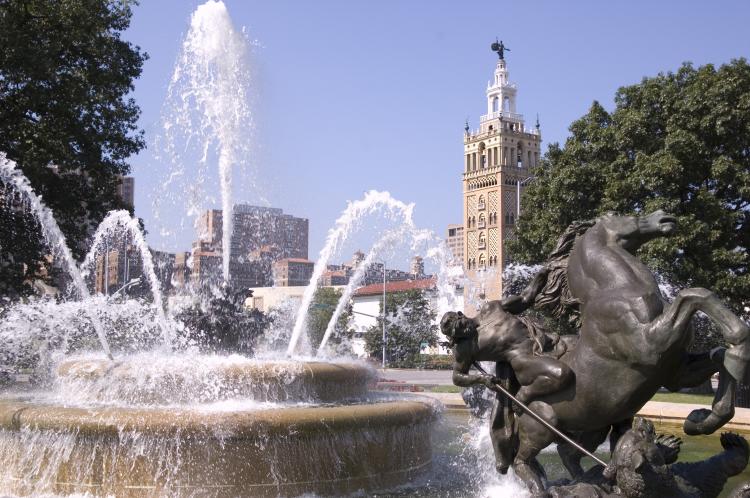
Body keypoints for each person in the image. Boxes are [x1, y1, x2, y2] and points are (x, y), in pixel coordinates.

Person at [441, 284, 574, 473]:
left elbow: (524, 298)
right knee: (562, 374)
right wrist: (482, 379)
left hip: (546, 341)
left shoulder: (490, 308)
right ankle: (523, 397)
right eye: (459, 334)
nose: (465, 332)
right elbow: (457, 377)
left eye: (462, 326)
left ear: (462, 315)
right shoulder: (465, 348)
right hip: (525, 361)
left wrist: (541, 278)